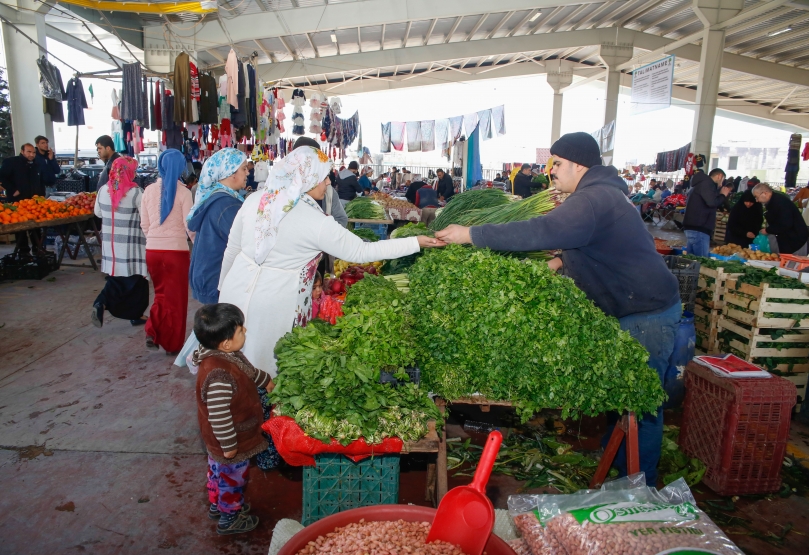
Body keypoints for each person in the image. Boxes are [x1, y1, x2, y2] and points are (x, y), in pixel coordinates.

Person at [435, 132, 681, 485]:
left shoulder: (593, 199)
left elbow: (542, 231)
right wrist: (553, 266)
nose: (551, 171)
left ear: (579, 164)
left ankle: (639, 489)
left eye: (558, 163)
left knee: (640, 406)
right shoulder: (602, 196)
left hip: (647, 315)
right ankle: (619, 465)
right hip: (635, 309)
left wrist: (470, 234)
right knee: (622, 395)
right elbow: (586, 247)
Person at [217, 146, 443, 376]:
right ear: (306, 178)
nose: (328, 183)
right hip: (274, 305)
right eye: (323, 176)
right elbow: (362, 252)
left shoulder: (255, 199)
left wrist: (221, 292)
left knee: (228, 370)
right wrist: (416, 242)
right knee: (264, 372)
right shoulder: (315, 221)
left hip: (233, 293)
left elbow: (231, 249)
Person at [193, 303, 273, 536]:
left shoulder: (224, 354)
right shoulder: (219, 376)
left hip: (222, 442)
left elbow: (247, 370)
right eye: (240, 330)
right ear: (226, 342)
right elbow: (219, 417)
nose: (245, 331)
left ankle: (218, 505)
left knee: (217, 472)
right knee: (233, 478)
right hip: (231, 441)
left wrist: (265, 380)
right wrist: (229, 446)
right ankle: (230, 517)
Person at [140, 149, 194, 355]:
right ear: (181, 167)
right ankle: (173, 344)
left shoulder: (148, 191)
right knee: (177, 299)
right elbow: (189, 226)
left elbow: (144, 224)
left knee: (161, 294)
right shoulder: (184, 192)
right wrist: (196, 245)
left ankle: (153, 330)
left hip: (152, 251)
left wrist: (155, 239)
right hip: (176, 253)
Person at [91, 156, 149, 328]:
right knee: (135, 279)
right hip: (131, 246)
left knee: (121, 278)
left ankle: (133, 313)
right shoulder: (136, 192)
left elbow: (98, 213)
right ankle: (104, 302)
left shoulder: (103, 190)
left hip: (110, 245)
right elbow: (145, 216)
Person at [187, 149, 249, 305]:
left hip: (209, 277)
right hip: (218, 281)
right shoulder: (227, 204)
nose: (247, 173)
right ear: (231, 173)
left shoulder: (216, 197)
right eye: (244, 168)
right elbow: (246, 243)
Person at [293, 137, 347, 227]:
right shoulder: (280, 194)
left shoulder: (328, 191)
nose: (328, 182)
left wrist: (324, 235)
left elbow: (341, 219)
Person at [0, 143, 44, 255]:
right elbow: (2, 176)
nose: (32, 154)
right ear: (22, 151)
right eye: (29, 152)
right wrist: (12, 190)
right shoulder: (11, 162)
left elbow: (39, 181)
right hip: (17, 201)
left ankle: (38, 248)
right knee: (20, 227)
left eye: (33, 152)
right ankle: (23, 251)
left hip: (32, 202)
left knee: (36, 226)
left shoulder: (36, 164)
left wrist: (40, 196)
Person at [682, 168, 732, 257]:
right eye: (723, 180)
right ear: (719, 176)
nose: (722, 183)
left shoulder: (700, 184)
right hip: (699, 228)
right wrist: (723, 194)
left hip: (692, 227)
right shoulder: (707, 184)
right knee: (701, 262)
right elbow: (712, 202)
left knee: (691, 261)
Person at [752, 182, 809, 255]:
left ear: (764, 193)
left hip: (796, 241)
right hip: (789, 240)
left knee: (793, 264)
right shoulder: (774, 201)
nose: (757, 200)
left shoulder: (780, 202)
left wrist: (768, 230)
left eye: (756, 197)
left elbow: (785, 223)